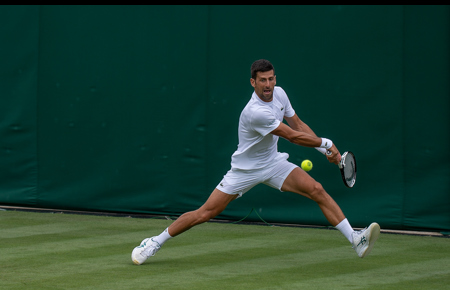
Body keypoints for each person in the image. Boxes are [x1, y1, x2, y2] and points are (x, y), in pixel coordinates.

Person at [131, 59, 380, 265]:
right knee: (205, 213)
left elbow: (299, 125)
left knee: (316, 189)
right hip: (245, 170)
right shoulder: (255, 112)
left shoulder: (280, 94)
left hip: (273, 163)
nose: (269, 84)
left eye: (271, 78)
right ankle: (155, 241)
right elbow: (291, 136)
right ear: (253, 82)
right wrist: (325, 144)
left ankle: (356, 240)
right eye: (263, 80)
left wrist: (321, 151)